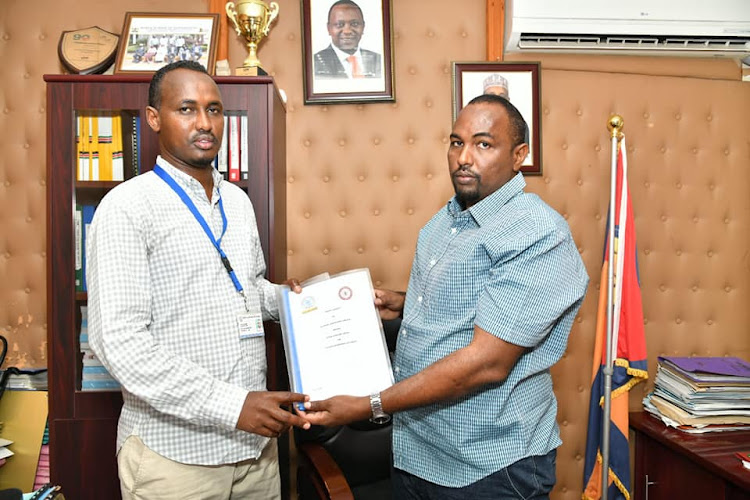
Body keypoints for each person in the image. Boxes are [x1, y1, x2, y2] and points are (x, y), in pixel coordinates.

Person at [302, 94, 589, 499]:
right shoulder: (448, 218)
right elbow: (474, 298)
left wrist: (369, 405)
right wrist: (403, 301)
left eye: (484, 144)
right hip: (418, 451)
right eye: (456, 142)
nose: (464, 157)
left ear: (519, 155)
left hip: (488, 466)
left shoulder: (536, 233)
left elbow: (486, 363)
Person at [86, 60, 311, 500]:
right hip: (175, 461)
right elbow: (119, 342)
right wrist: (232, 406)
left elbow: (246, 288)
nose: (205, 123)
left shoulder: (237, 202)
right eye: (186, 109)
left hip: (254, 455)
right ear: (154, 118)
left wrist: (292, 300)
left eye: (214, 109)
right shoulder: (127, 207)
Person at [313, 0, 382, 79]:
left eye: (354, 24)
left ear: (363, 27)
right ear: (329, 29)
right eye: (339, 24)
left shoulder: (379, 60)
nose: (347, 31)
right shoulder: (314, 63)